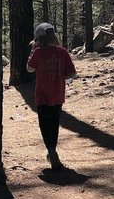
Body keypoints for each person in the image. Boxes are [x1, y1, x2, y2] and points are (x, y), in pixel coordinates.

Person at [27, 22, 77, 170]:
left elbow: (29, 69)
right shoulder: (63, 52)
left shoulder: (37, 52)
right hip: (58, 94)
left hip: (42, 95)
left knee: (44, 124)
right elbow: (72, 73)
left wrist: (32, 52)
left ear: (38, 39)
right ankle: (52, 150)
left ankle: (50, 150)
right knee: (54, 123)